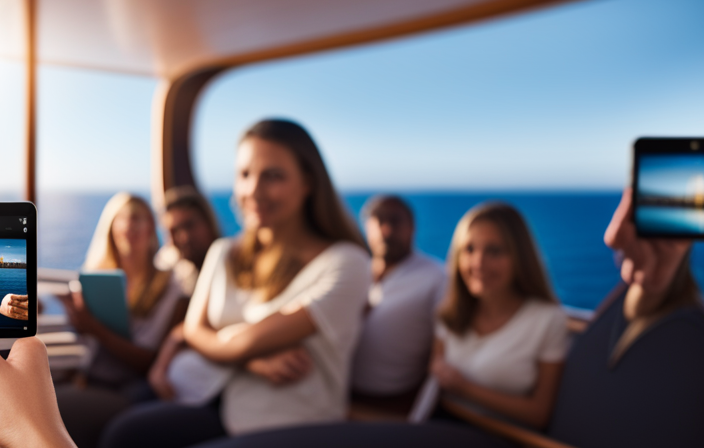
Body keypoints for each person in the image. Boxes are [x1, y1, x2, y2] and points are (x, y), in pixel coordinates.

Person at [100, 119, 370, 448]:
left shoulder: (346, 263)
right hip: (210, 393)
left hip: (287, 422)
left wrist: (232, 346)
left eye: (273, 175)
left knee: (125, 436)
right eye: (244, 175)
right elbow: (194, 330)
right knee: (122, 429)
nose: (253, 190)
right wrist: (252, 358)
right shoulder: (224, 251)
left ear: (309, 182)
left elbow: (220, 339)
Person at [56, 193, 188, 448]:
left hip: (128, 388)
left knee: (46, 410)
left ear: (151, 227)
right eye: (124, 218)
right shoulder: (95, 279)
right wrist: (76, 320)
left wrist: (96, 329)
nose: (131, 226)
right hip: (89, 379)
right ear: (111, 227)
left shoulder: (168, 285)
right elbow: (84, 341)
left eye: (139, 218)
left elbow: (148, 361)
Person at [430, 202, 569, 429]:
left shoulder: (547, 320)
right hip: (438, 422)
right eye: (469, 249)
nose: (478, 263)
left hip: (499, 435)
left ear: (520, 257)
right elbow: (436, 360)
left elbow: (539, 413)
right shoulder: (453, 309)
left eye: (494, 251)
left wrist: (465, 388)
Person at [351, 195, 446, 404]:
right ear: (366, 226)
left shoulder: (436, 277)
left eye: (395, 220)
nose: (386, 230)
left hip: (395, 404)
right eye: (378, 220)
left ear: (411, 227)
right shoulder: (355, 272)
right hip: (339, 395)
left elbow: (443, 352)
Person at [155, 186, 220, 297]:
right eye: (174, 231)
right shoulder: (165, 275)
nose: (184, 237)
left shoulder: (232, 265)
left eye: (189, 225)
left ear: (209, 223)